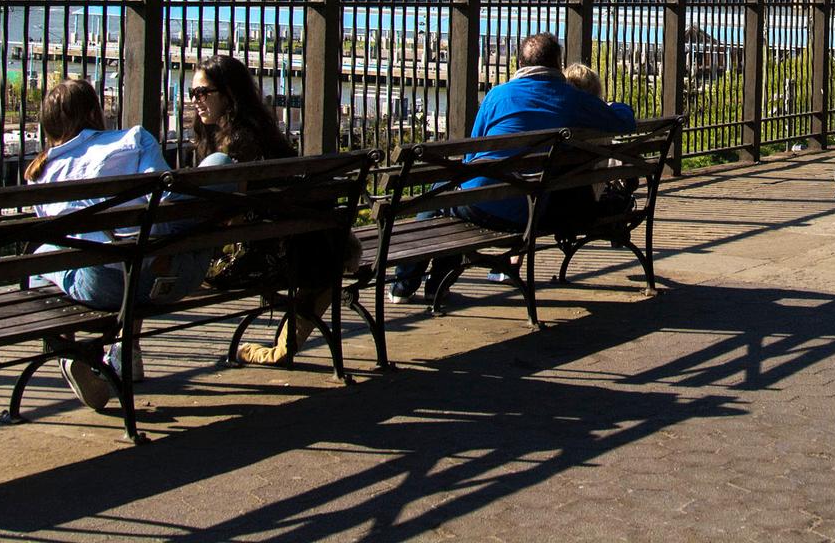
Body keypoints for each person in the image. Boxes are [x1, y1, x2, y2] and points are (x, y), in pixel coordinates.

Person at [389, 33, 635, 303]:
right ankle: (436, 286)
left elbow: (472, 155)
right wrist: (611, 106)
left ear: (520, 62)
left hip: (480, 206)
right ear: (557, 62)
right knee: (448, 197)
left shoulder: (497, 96)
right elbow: (624, 120)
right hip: (530, 211)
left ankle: (404, 284)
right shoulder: (571, 99)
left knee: (439, 195)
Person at [27, 76, 194, 410]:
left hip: (98, 285)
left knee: (39, 262)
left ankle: (68, 353)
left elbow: (56, 235)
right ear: (94, 111)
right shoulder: (135, 139)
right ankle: (124, 351)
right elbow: (163, 197)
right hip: (150, 280)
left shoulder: (41, 172)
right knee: (132, 250)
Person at [186, 54, 350, 368]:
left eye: (203, 92)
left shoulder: (235, 145)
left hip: (257, 261)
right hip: (291, 251)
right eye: (193, 93)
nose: (196, 100)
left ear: (229, 94)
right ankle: (284, 344)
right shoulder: (260, 133)